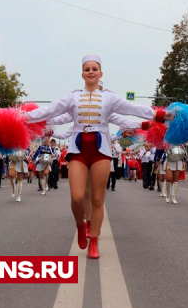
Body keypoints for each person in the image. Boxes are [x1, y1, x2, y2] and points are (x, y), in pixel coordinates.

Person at [25, 55, 171, 259]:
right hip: (78, 150)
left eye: (95, 69)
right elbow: (50, 109)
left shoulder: (110, 98)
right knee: (77, 196)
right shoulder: (73, 97)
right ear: (82, 74)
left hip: (101, 150)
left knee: (97, 198)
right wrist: (24, 117)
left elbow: (132, 109)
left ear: (101, 73)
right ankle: (80, 224)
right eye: (87, 69)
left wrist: (158, 115)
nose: (91, 72)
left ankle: (94, 242)